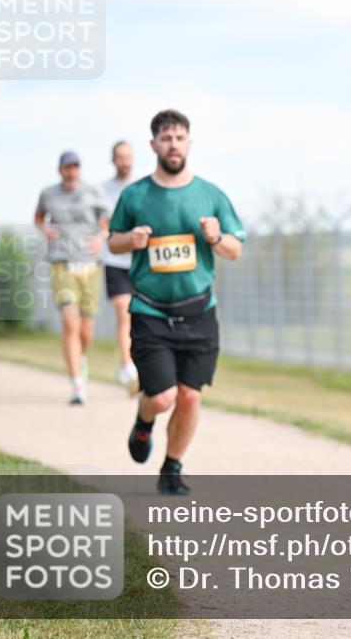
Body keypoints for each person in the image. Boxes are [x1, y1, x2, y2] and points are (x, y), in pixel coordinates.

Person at [109, 109, 245, 496]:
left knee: (189, 395)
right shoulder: (135, 195)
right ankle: (144, 418)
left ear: (189, 143)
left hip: (198, 311)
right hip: (150, 311)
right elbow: (113, 241)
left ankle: (171, 467)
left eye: (179, 138)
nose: (173, 144)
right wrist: (130, 239)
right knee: (163, 396)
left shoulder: (210, 194)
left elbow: (234, 249)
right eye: (166, 138)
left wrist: (217, 238)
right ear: (153, 145)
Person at [34, 151, 110, 405]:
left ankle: (81, 356)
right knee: (70, 322)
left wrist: (101, 238)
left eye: (75, 166)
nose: (71, 171)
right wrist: (45, 228)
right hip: (61, 262)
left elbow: (108, 220)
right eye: (67, 167)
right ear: (60, 170)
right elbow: (38, 217)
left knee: (86, 329)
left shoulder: (94, 191)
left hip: (89, 263)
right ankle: (77, 384)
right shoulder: (48, 193)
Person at [101, 140, 139, 395]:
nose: (125, 161)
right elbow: (100, 222)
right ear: (113, 160)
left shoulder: (142, 188)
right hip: (115, 259)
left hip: (140, 261)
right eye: (120, 157)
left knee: (140, 316)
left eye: (128, 157)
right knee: (123, 312)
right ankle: (127, 365)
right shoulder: (103, 190)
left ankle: (139, 364)